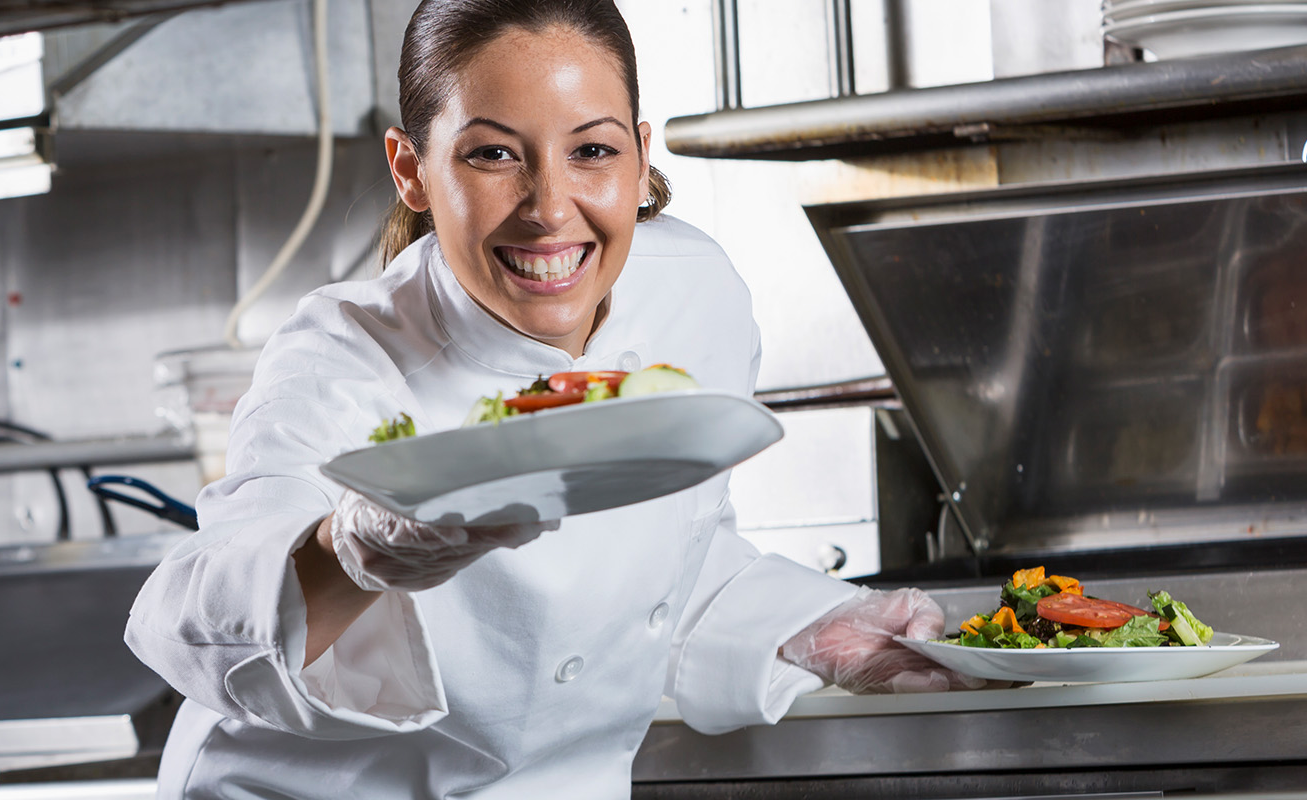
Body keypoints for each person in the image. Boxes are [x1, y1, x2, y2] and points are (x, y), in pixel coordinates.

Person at [125, 1, 982, 796]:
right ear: (411, 169)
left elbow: (662, 560)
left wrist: (803, 625)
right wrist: (351, 552)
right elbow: (190, 621)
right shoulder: (342, 360)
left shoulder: (694, 297)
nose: (548, 207)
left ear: (642, 158)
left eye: (593, 150)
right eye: (493, 153)